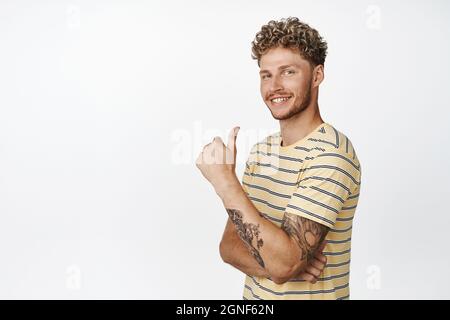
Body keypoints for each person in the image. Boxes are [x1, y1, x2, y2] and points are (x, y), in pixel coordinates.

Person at [196, 17, 361, 300]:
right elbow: (230, 248)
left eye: (288, 72)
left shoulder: (331, 155)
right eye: (266, 75)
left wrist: (225, 182)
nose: (275, 86)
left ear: (317, 75)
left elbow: (283, 264)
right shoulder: (263, 151)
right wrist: (281, 267)